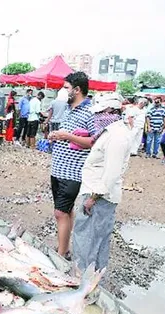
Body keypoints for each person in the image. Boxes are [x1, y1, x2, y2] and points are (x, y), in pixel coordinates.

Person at [72, 94, 132, 272]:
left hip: (98, 196)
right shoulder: (110, 132)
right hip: (96, 193)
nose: (96, 117)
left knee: (88, 241)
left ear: (111, 112)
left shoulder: (117, 136)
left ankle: (83, 280)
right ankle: (89, 280)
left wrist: (94, 197)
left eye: (100, 113)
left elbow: (112, 173)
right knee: (92, 240)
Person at [48, 71, 96, 259]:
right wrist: (57, 136)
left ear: (77, 90)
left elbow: (94, 141)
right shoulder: (68, 109)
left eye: (66, 87)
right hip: (58, 169)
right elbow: (68, 134)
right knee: (66, 211)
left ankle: (61, 255)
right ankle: (65, 248)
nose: (63, 90)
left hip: (73, 172)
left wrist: (66, 136)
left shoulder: (90, 112)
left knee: (59, 212)